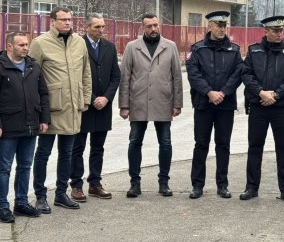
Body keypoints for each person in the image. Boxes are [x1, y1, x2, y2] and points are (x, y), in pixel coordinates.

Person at [30, 6, 92, 213]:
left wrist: (85, 99)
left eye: (70, 19)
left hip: (73, 108)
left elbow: (86, 73)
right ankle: (40, 196)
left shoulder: (79, 42)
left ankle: (60, 194)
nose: (67, 23)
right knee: (43, 154)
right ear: (52, 21)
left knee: (67, 153)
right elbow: (31, 78)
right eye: (63, 19)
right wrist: (37, 109)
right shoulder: (40, 43)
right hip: (50, 110)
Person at [0, 33, 50, 223]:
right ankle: (3, 207)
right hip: (7, 128)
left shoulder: (33, 66)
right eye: (21, 44)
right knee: (4, 168)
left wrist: (44, 119)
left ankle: (21, 202)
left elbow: (43, 94)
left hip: (31, 126)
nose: (25, 47)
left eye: (27, 44)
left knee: (25, 166)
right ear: (10, 46)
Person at [119, 13, 183, 198]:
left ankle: (164, 182)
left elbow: (177, 77)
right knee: (135, 142)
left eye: (155, 25)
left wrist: (177, 103)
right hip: (137, 102)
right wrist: (124, 105)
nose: (153, 29)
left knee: (165, 143)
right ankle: (135, 183)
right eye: (149, 26)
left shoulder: (170, 46)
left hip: (163, 101)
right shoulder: (132, 47)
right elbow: (125, 78)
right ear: (143, 28)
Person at [240, 15, 284, 203]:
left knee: (283, 149)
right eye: (275, 30)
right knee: (255, 148)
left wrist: (275, 95)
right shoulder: (254, 51)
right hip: (259, 107)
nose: (279, 34)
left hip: (281, 107)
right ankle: (251, 187)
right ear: (265, 31)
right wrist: (261, 93)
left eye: (280, 30)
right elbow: (246, 74)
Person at [186, 11, 243, 199]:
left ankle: (222, 185)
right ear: (209, 26)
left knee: (223, 145)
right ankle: (197, 185)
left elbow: (237, 74)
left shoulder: (234, 50)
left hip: (225, 105)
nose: (221, 29)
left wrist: (223, 92)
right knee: (201, 144)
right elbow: (193, 74)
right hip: (204, 104)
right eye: (218, 25)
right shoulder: (198, 49)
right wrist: (209, 92)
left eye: (224, 26)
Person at [69, 14, 120, 202]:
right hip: (84, 105)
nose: (101, 30)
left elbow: (116, 76)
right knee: (78, 147)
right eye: (97, 26)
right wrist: (90, 99)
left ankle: (95, 183)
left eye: (103, 26)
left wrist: (106, 98)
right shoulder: (77, 45)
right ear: (87, 27)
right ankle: (76, 185)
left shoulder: (109, 47)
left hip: (103, 107)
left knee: (98, 147)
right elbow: (75, 76)